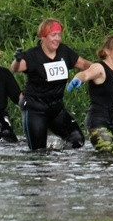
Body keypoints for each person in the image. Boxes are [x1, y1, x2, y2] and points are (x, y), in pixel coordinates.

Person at [10, 18, 92, 150]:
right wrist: (17, 60)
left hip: (56, 108)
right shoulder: (33, 55)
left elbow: (84, 64)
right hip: (34, 108)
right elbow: (15, 68)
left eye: (59, 35)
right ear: (43, 37)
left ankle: (58, 161)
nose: (57, 39)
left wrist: (102, 70)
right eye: (53, 35)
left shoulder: (64, 51)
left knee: (77, 141)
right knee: (38, 152)